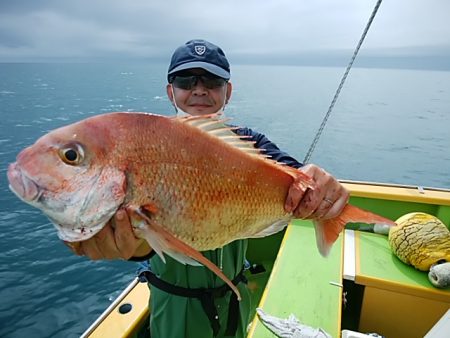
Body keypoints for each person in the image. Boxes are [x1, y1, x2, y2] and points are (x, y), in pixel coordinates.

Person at [68, 39, 349, 338]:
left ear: (227, 91)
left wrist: (316, 183)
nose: (199, 89)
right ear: (170, 91)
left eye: (212, 81)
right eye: (186, 80)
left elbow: (295, 176)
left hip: (236, 297)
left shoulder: (250, 145)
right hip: (176, 305)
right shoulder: (147, 149)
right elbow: (144, 237)